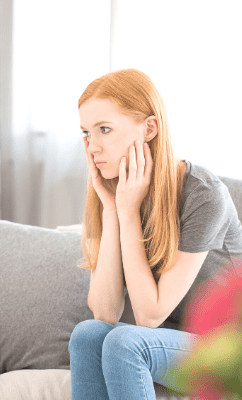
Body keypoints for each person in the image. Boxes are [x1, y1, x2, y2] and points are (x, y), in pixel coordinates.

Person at [68, 68, 242, 399]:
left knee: (125, 341)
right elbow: (104, 312)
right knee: (87, 334)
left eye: (104, 129)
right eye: (86, 133)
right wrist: (111, 210)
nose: (92, 147)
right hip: (171, 342)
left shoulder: (204, 194)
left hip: (230, 351)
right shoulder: (113, 190)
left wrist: (129, 212)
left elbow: (149, 315)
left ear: (149, 128)